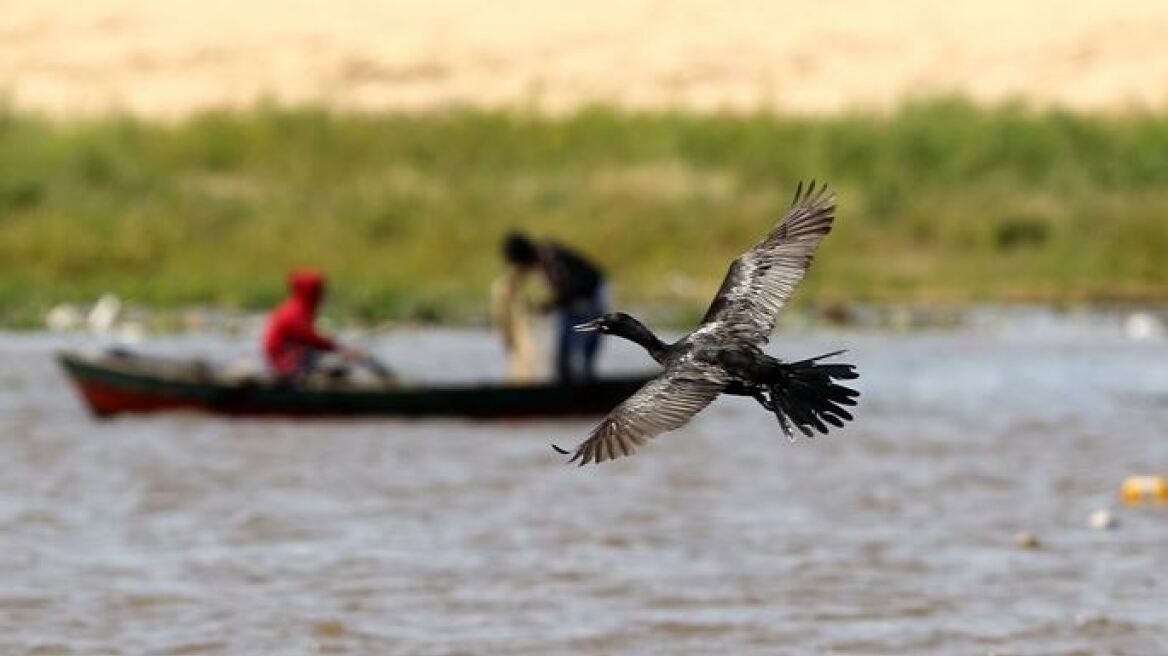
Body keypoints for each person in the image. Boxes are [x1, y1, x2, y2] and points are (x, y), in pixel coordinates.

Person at [502, 231, 607, 382]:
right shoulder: (543, 256)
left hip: (589, 298)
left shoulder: (549, 259)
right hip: (573, 302)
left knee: (582, 356)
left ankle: (583, 388)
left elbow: (572, 286)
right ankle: (569, 386)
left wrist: (550, 305)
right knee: (564, 358)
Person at [263, 269, 360, 381]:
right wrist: (341, 349)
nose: (322, 294)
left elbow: (310, 337)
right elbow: (310, 338)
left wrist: (335, 346)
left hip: (285, 355)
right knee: (330, 359)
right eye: (319, 290)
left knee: (325, 355)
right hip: (283, 359)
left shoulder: (297, 306)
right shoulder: (295, 311)